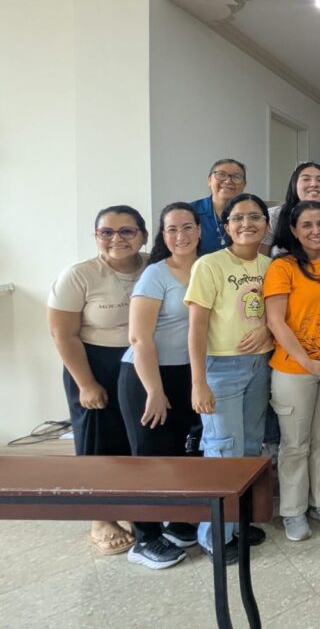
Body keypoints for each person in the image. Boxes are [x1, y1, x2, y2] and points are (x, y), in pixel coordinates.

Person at [47, 205, 149, 555]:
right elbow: (63, 334)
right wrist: (86, 384)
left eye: (127, 231)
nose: (116, 238)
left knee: (136, 437)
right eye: (106, 232)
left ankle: (139, 507)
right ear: (96, 237)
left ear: (143, 235)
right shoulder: (79, 275)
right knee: (97, 441)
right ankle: (100, 518)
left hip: (142, 363)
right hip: (95, 364)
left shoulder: (153, 266)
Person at [184, 193, 274, 562]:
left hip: (260, 365)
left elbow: (277, 314)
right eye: (238, 218)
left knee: (250, 447)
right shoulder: (209, 265)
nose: (246, 224)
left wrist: (267, 330)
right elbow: (196, 328)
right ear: (226, 226)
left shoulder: (271, 265)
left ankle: (235, 523)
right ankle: (214, 536)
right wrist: (198, 382)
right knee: (223, 450)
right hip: (220, 368)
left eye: (255, 217)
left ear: (266, 224)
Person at [119, 203, 202, 569]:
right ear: (162, 235)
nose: (181, 235)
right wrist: (154, 390)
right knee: (149, 457)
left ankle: (175, 521)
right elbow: (139, 338)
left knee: (178, 454)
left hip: (187, 373)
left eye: (187, 227)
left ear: (199, 230)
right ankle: (145, 537)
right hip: (146, 375)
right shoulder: (156, 274)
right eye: (172, 229)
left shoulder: (208, 267)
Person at [263, 201, 320, 542]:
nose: (316, 231)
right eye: (307, 225)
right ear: (294, 231)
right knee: (295, 443)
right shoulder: (282, 267)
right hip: (293, 368)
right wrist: (307, 361)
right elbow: (276, 322)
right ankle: (293, 510)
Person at [260, 161, 320, 257]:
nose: (314, 184)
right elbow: (260, 259)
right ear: (294, 184)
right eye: (306, 179)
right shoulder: (273, 216)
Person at [191, 158, 248, 255]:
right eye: (221, 174)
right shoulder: (190, 212)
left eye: (236, 177)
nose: (228, 181)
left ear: (244, 185)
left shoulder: (251, 215)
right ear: (209, 180)